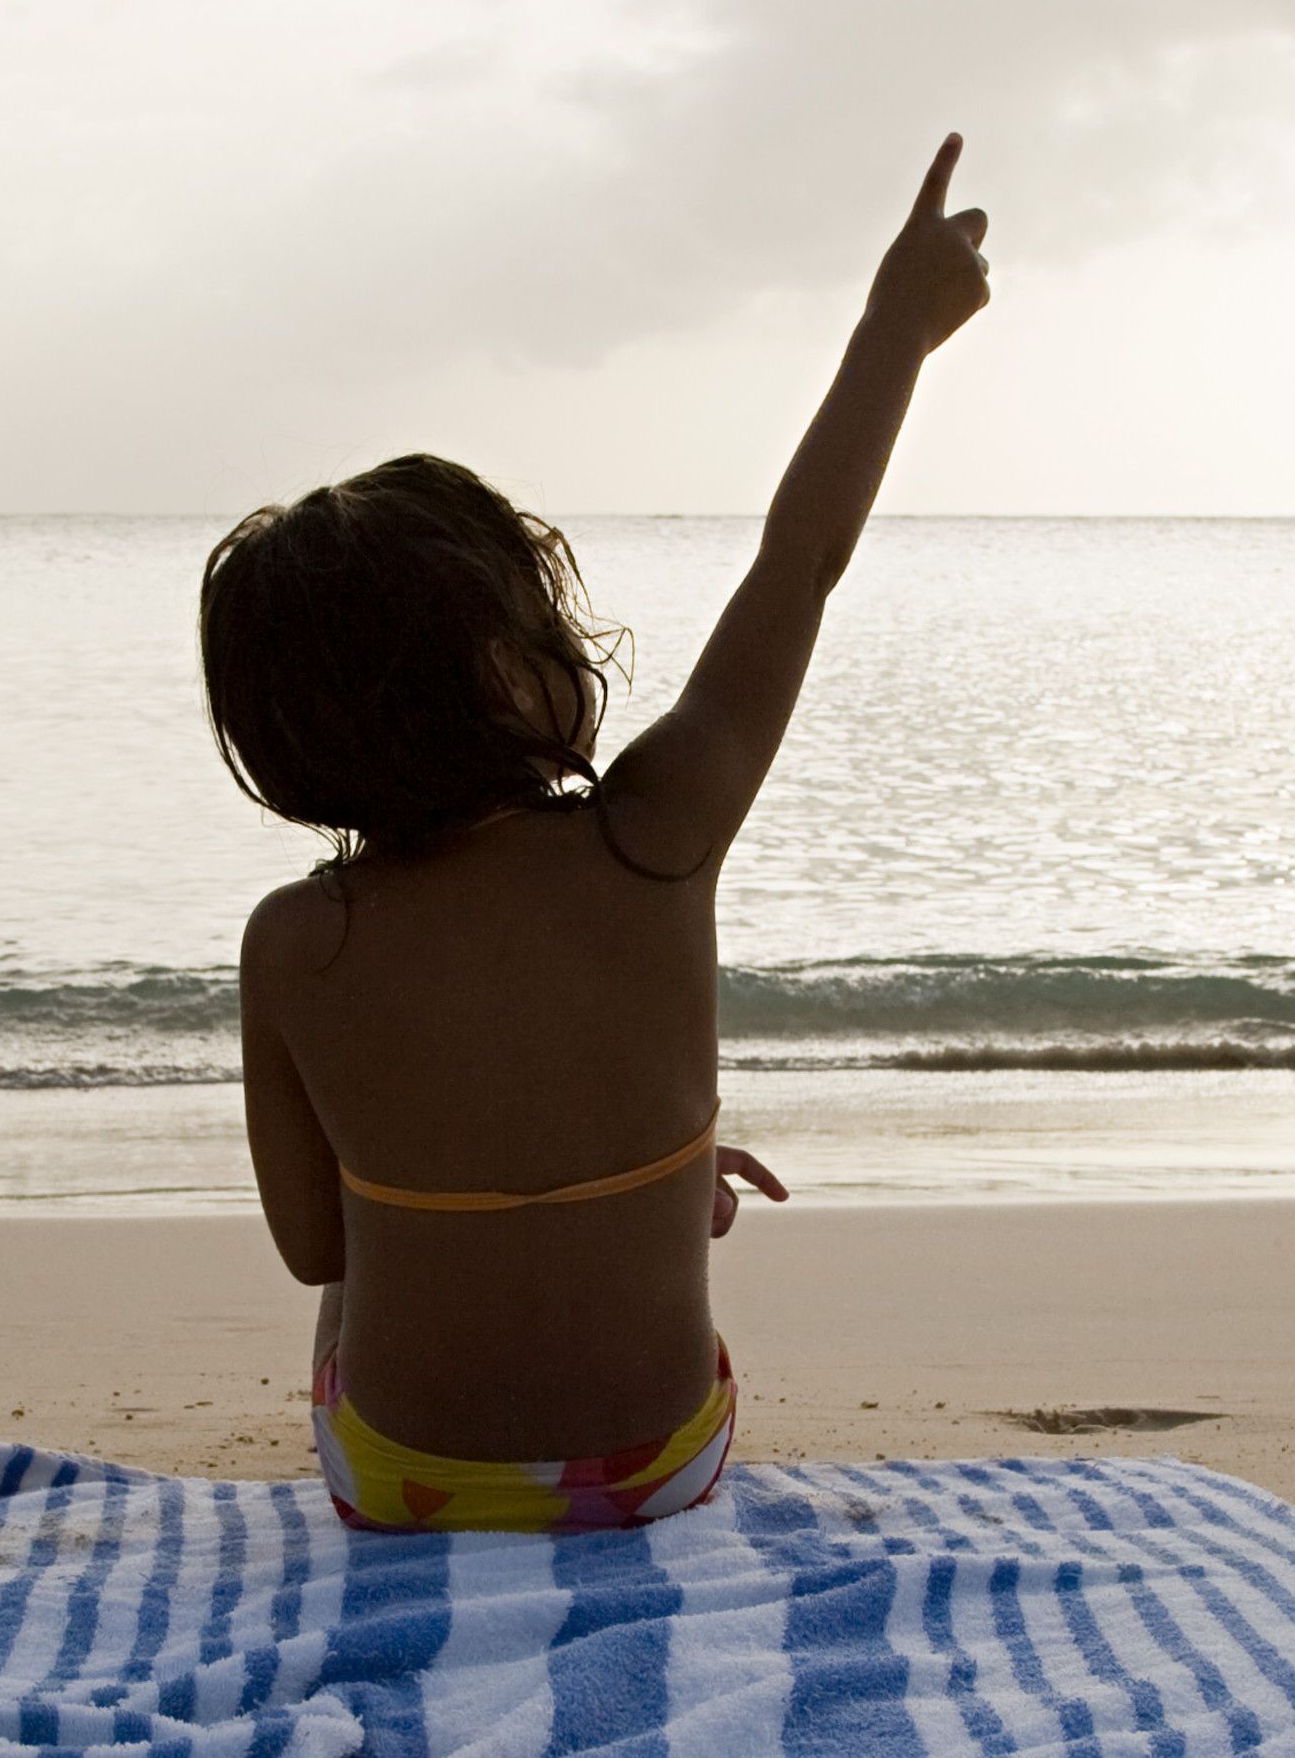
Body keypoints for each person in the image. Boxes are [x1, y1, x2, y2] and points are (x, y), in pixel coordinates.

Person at [200, 138, 995, 1532]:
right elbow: (799, 565)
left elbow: (314, 1245)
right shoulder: (654, 839)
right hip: (655, 1467)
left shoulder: (294, 942)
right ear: (510, 669)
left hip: (402, 1480)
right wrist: (895, 333)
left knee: (365, 1258)